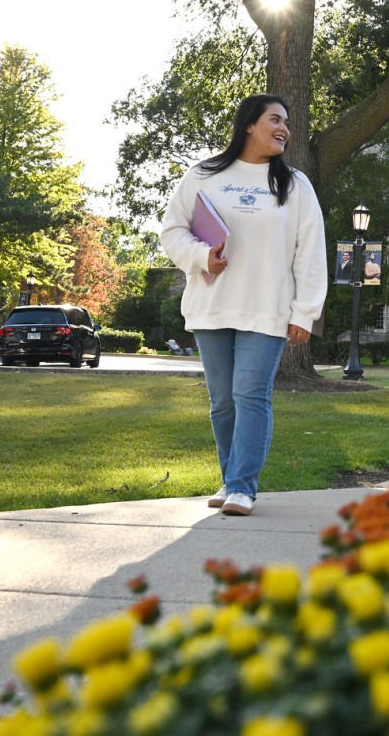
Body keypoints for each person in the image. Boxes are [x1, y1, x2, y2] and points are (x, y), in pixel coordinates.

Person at [160, 94, 328, 516]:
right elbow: (172, 232)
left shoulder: (295, 185)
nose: (284, 129)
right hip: (212, 304)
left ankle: (242, 486)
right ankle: (230, 479)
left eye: (287, 122)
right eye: (275, 120)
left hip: (267, 308)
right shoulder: (204, 174)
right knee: (222, 400)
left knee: (250, 394)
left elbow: (310, 252)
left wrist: (304, 311)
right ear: (249, 124)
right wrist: (202, 257)